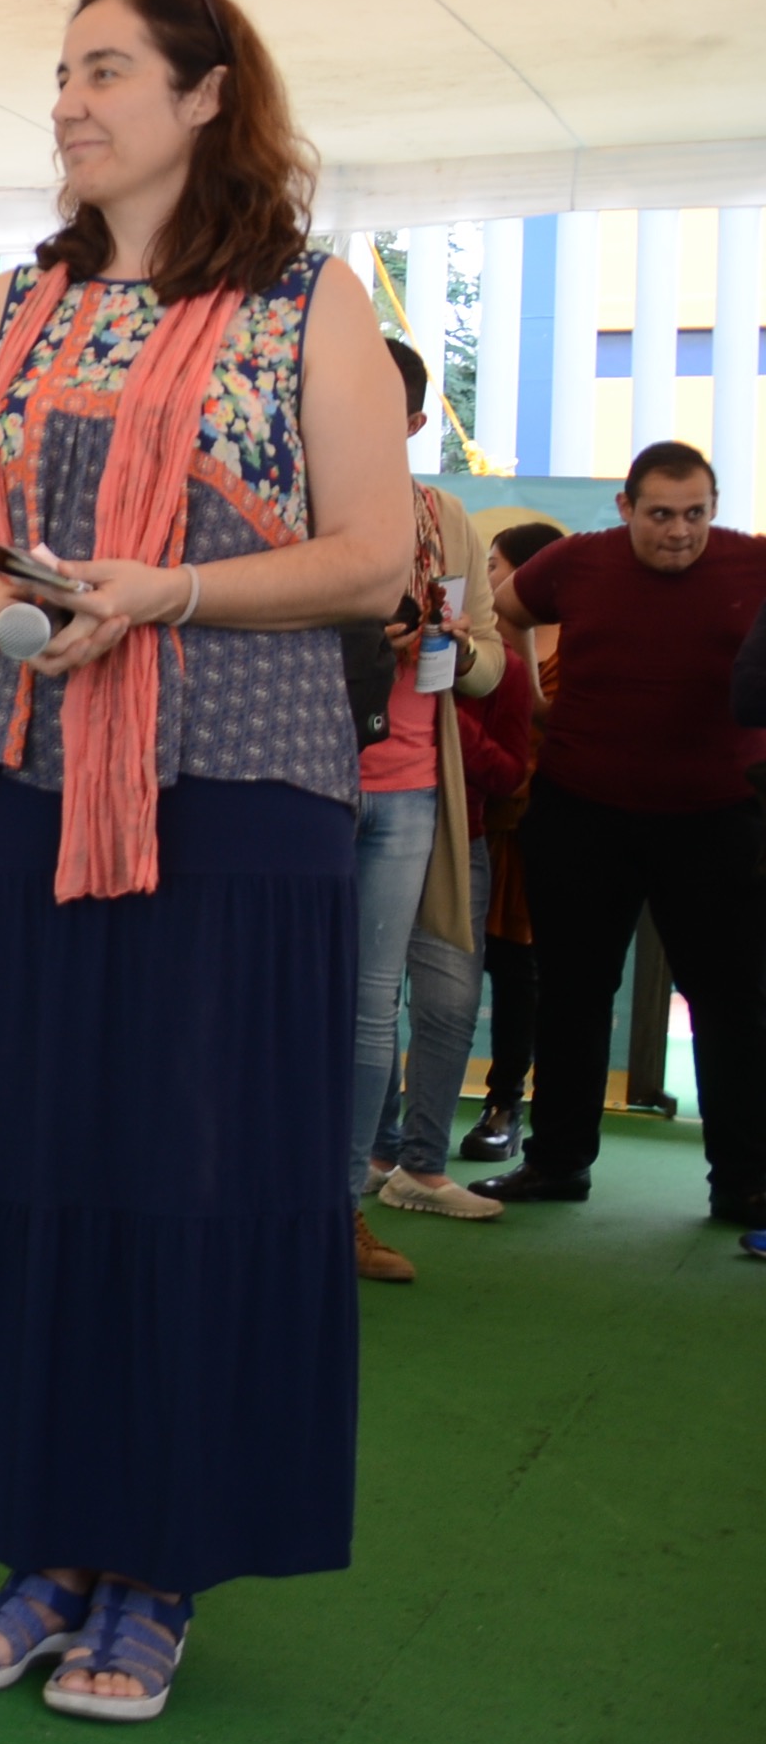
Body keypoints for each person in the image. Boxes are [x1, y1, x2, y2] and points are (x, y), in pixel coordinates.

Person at [0, 0, 411, 1723]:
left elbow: (370, 557)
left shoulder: (305, 298)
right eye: (57, 72)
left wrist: (168, 592)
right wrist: (23, 620)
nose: (68, 99)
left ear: (203, 96)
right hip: (27, 774)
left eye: (104, 68)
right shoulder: (20, 302)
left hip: (242, 794)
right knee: (28, 1154)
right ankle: (44, 1546)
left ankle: (158, 1567)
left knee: (194, 1168)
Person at [475, 443, 766, 1226]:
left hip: (716, 819)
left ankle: (743, 1181)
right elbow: (504, 612)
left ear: (715, 506)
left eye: (696, 514)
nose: (680, 531)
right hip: (583, 810)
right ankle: (558, 1162)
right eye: (662, 514)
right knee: (572, 992)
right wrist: (535, 702)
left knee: (732, 1002)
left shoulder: (755, 565)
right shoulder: (576, 562)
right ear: (626, 507)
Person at [340, 339, 507, 1269]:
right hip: (300, 776)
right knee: (274, 995)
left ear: (411, 422)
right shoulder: (299, 508)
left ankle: (338, 1207)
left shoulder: (445, 517)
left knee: (371, 1008)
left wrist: (444, 640)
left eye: (381, 407)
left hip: (404, 789)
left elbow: (485, 665)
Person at [381, 503, 536, 1216]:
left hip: (456, 825)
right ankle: (376, 1154)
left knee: (446, 1002)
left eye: (496, 571)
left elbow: (509, 768)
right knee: (367, 1000)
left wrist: (452, 675)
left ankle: (423, 1162)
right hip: (364, 793)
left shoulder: (496, 651)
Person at [461, 519, 564, 1161]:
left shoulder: (581, 640)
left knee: (529, 974)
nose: (489, 575)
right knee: (469, 967)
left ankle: (509, 1103)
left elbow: (557, 717)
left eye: (497, 564)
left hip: (552, 823)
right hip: (479, 813)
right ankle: (422, 1116)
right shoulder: (477, 638)